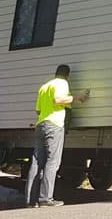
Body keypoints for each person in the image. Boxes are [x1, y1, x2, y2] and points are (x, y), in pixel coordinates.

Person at [25, 64, 89, 207]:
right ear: (67, 75)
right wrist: (78, 98)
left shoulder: (44, 87)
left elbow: (38, 110)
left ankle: (30, 200)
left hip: (40, 124)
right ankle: (45, 199)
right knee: (53, 161)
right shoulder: (62, 83)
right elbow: (58, 100)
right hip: (54, 125)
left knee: (36, 162)